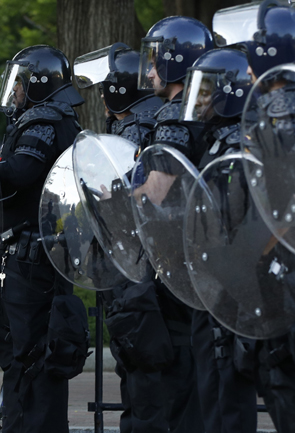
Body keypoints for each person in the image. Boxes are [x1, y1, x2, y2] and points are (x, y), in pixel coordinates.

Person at [0, 44, 85, 433]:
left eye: (21, 84)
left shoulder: (44, 120)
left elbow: (22, 171)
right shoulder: (58, 118)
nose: (16, 92)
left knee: (32, 359)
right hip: (38, 257)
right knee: (30, 358)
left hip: (34, 261)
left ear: (39, 85)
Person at [213, 2, 295, 431]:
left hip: (289, 274)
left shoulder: (281, 101)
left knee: (286, 386)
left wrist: (243, 259)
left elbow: (287, 195)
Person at [74, 43, 170, 433]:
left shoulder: (135, 128)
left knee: (139, 358)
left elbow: (124, 197)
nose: (100, 94)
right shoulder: (139, 122)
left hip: (136, 263)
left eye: (105, 86)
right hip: (142, 261)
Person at [136, 15, 214, 433]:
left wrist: (120, 190)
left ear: (174, 61)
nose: (148, 71)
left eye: (154, 61)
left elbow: (156, 189)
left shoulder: (174, 115)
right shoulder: (212, 109)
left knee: (179, 376)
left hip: (175, 263)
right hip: (207, 258)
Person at [179, 47, 258, 433]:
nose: (200, 101)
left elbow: (235, 224)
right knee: (212, 392)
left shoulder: (236, 148)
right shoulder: (215, 141)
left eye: (207, 92)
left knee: (225, 398)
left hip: (226, 293)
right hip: (208, 288)